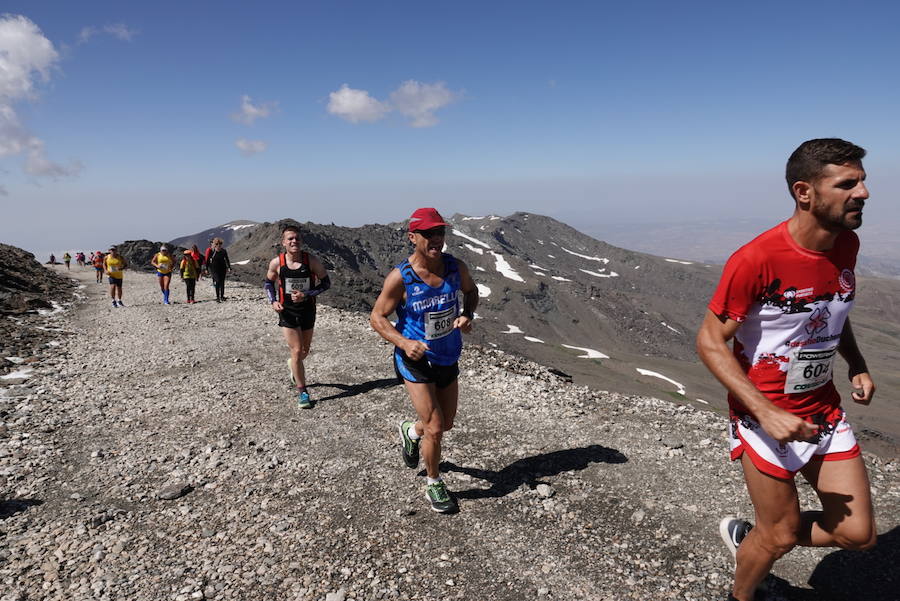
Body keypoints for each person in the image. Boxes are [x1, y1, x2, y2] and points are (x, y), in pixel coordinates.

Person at [696, 139, 877, 601]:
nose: (864, 193)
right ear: (805, 192)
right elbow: (710, 341)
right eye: (847, 183)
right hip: (763, 417)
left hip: (823, 411)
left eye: (862, 180)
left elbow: (831, 307)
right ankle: (744, 587)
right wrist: (766, 411)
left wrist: (855, 362)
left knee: (858, 536)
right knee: (778, 537)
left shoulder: (846, 244)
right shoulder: (756, 259)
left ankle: (754, 538)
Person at [370, 208, 478, 513]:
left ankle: (410, 431)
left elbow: (471, 292)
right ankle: (434, 483)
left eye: (440, 232)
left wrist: (467, 315)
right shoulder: (401, 277)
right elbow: (377, 317)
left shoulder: (456, 268)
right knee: (435, 426)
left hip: (447, 355)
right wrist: (404, 342)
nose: (436, 239)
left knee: (446, 423)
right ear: (412, 237)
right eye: (428, 233)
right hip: (414, 359)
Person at [264, 224, 330, 408]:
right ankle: (303, 392)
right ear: (283, 242)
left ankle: (293, 366)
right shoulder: (277, 263)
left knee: (304, 352)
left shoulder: (311, 261)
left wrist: (307, 294)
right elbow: (268, 283)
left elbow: (326, 283)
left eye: (297, 238)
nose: (294, 241)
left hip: (307, 310)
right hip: (287, 311)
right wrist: (273, 301)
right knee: (296, 350)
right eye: (290, 239)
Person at [207, 238, 231, 302]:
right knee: (217, 282)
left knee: (222, 283)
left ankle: (222, 296)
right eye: (217, 244)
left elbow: (227, 259)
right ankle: (218, 297)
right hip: (214, 269)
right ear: (214, 244)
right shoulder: (212, 251)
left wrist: (229, 267)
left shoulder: (223, 251)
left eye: (220, 244)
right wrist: (207, 268)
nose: (218, 245)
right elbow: (208, 261)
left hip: (222, 269)